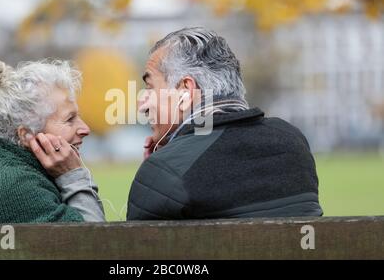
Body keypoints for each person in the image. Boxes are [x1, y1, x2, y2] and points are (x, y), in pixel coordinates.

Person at [127, 27, 323, 220]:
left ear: (185, 91)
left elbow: (133, 247)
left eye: (150, 87)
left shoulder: (165, 172)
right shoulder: (293, 143)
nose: (142, 103)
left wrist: (156, 172)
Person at [0, 59, 105, 224]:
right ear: (26, 135)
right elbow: (94, 244)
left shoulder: (0, 168)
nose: (85, 129)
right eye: (70, 119)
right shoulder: (15, 185)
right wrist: (73, 176)